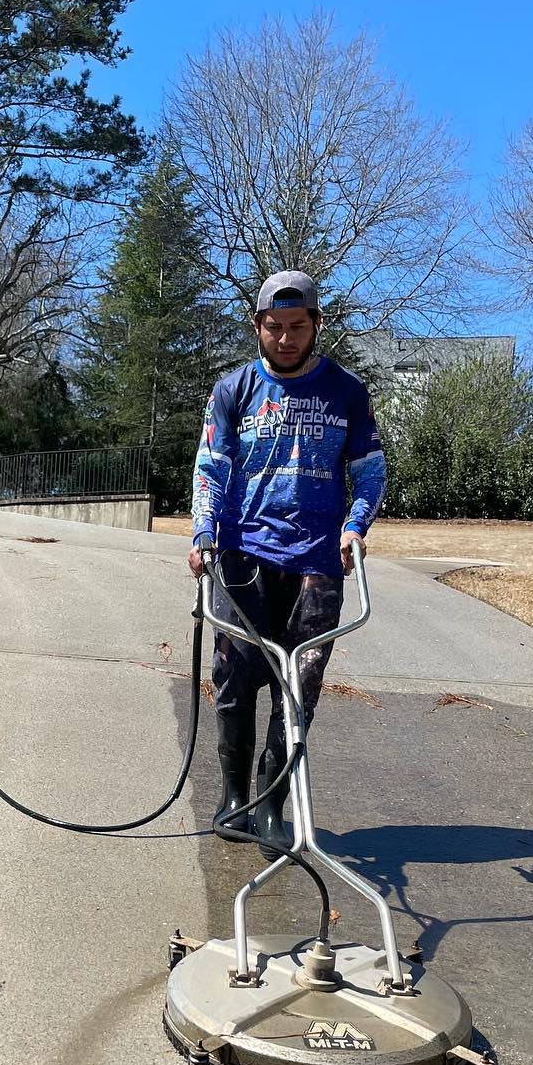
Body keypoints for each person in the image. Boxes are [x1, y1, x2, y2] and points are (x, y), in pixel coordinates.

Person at [189, 270, 386, 859]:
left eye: (298, 326)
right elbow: (211, 465)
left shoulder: (347, 392)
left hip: (317, 562)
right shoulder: (234, 390)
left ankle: (272, 804)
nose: (286, 338)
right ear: (258, 326)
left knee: (298, 684)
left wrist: (355, 527)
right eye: (274, 327)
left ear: (316, 325)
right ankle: (235, 798)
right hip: (243, 553)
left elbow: (370, 471)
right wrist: (203, 532)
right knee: (234, 676)